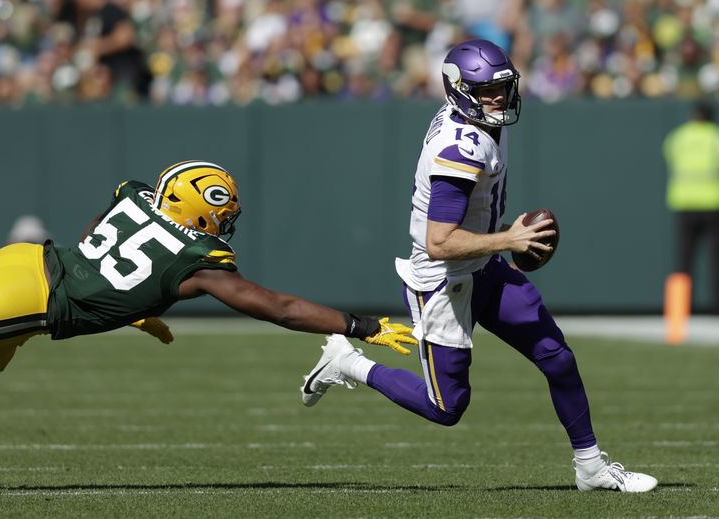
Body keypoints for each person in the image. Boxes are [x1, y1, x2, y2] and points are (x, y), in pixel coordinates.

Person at [300, 40, 658, 492]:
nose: (497, 98)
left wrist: (499, 238)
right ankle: (347, 362)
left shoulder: (481, 123)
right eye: (486, 90)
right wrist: (510, 237)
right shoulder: (460, 147)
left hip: (483, 264)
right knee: (446, 408)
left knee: (557, 357)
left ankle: (590, 467)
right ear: (458, 89)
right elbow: (439, 242)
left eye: (503, 88)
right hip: (444, 281)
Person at [0, 160, 416, 420]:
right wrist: (360, 325)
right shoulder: (201, 259)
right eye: (223, 216)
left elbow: (95, 234)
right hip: (26, 304)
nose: (226, 225)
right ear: (202, 212)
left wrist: (128, 302)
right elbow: (280, 308)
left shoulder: (136, 194)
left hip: (26, 260)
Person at [662, 101, 719, 314]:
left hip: (683, 202)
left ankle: (680, 310)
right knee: (716, 259)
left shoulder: (678, 137)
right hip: (713, 203)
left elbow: (669, 157)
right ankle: (716, 308)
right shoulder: (715, 137)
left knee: (684, 259)